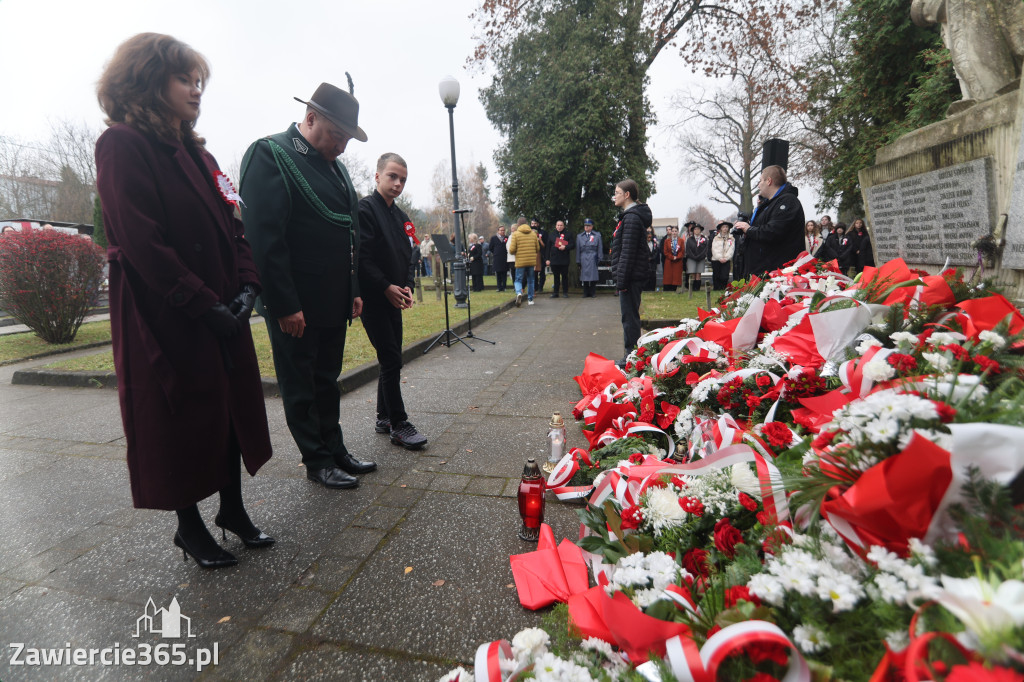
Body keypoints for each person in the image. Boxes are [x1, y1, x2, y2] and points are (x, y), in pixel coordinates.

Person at [94, 33, 273, 569]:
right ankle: (189, 526)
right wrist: (203, 304)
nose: (196, 90)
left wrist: (246, 287)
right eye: (183, 79)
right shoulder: (122, 145)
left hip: (222, 306)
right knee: (182, 416)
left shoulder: (202, 154)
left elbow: (235, 226)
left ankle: (233, 511)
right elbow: (141, 240)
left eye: (199, 81)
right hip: (166, 312)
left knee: (230, 410)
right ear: (147, 81)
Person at [239, 81, 376, 491]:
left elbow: (347, 233)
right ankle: (316, 460)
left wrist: (353, 286)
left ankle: (335, 449)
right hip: (296, 302)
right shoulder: (271, 153)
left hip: (332, 298)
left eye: (348, 139)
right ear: (311, 118)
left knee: (326, 380)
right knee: (300, 383)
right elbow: (264, 238)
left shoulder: (333, 166)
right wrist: (282, 304)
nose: (342, 147)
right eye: (337, 136)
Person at [357, 153, 428, 451]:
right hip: (373, 298)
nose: (398, 183)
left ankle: (383, 417)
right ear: (377, 176)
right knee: (391, 358)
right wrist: (386, 287)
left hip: (395, 298)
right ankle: (399, 424)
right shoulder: (364, 210)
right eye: (392, 176)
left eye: (403, 180)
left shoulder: (403, 218)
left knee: (391, 356)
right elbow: (362, 257)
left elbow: (411, 255)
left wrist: (408, 286)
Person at [734, 165, 805, 279]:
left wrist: (749, 229)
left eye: (760, 181)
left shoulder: (788, 201)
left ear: (769, 181)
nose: (758, 185)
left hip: (776, 274)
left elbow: (773, 232)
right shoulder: (770, 204)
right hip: (762, 270)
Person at [611, 179, 652, 366]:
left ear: (627, 195)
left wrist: (621, 281)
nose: (614, 196)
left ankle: (632, 357)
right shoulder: (630, 216)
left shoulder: (632, 218)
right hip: (631, 276)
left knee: (630, 318)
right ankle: (632, 356)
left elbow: (627, 253)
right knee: (629, 317)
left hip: (631, 277)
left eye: (617, 192)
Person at [509, 217, 538, 306]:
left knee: (518, 279)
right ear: (527, 223)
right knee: (531, 280)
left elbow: (512, 250)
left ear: (518, 225)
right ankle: (530, 299)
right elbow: (538, 248)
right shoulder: (533, 234)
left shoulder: (515, 234)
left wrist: (516, 252)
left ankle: (519, 292)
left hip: (520, 261)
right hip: (531, 261)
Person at [546, 219, 574, 298]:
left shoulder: (568, 234)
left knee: (565, 276)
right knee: (556, 277)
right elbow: (548, 248)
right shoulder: (551, 235)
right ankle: (555, 293)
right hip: (554, 259)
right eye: (558, 225)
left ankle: (565, 292)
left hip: (564, 259)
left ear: (563, 226)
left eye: (561, 225)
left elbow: (572, 245)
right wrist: (547, 259)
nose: (559, 227)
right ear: (556, 226)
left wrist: (565, 247)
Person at [576, 218, 602, 298]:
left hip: (593, 257)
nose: (586, 227)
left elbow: (600, 248)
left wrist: (600, 258)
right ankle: (585, 292)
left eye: (588, 225)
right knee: (584, 275)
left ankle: (593, 292)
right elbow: (578, 249)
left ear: (592, 226)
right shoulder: (579, 236)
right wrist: (578, 260)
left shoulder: (597, 235)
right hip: (583, 257)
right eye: (585, 225)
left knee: (593, 276)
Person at [711, 222, 735, 290]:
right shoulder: (716, 238)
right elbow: (714, 249)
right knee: (716, 275)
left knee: (724, 276)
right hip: (716, 259)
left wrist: (726, 258)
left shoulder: (731, 238)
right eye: (723, 227)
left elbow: (731, 249)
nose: (725, 228)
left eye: (726, 227)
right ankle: (716, 288)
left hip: (726, 260)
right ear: (721, 228)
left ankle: (723, 288)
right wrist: (719, 258)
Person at [685, 224, 709, 289]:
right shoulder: (690, 239)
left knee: (698, 273)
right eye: (695, 229)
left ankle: (697, 288)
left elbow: (705, 249)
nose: (697, 230)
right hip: (691, 258)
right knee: (692, 273)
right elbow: (688, 250)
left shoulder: (704, 239)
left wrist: (700, 256)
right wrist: (693, 257)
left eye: (698, 229)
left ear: (700, 230)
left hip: (701, 259)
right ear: (693, 231)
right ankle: (692, 288)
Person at [662, 225, 684, 291]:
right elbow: (665, 251)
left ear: (678, 232)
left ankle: (675, 288)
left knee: (676, 276)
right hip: (669, 261)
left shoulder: (681, 241)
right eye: (673, 231)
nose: (674, 233)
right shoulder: (667, 241)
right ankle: (668, 289)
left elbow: (682, 251)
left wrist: (677, 257)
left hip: (677, 261)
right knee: (668, 276)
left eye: (675, 231)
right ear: (671, 232)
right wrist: (672, 257)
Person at [489, 226, 509, 292]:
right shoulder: (494, 238)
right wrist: (495, 252)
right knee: (498, 273)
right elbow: (490, 247)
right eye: (501, 230)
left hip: (504, 258)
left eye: (503, 230)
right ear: (498, 231)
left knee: (504, 273)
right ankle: (499, 287)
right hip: (497, 258)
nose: (502, 232)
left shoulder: (507, 238)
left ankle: (504, 287)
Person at [531, 219, 547, 293]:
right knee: (533, 272)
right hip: (532, 255)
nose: (533, 225)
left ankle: (541, 287)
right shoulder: (529, 232)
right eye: (532, 223)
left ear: (538, 224)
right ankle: (535, 287)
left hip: (541, 255)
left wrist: (540, 240)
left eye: (535, 223)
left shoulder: (543, 232)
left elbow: (546, 245)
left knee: (542, 272)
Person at [643, 226, 660, 291]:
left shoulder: (654, 244)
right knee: (646, 275)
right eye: (648, 237)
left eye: (650, 237)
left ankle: (652, 288)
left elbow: (656, 252)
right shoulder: (644, 244)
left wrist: (652, 258)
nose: (649, 238)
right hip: (646, 262)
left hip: (653, 262)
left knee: (653, 275)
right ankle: (645, 288)